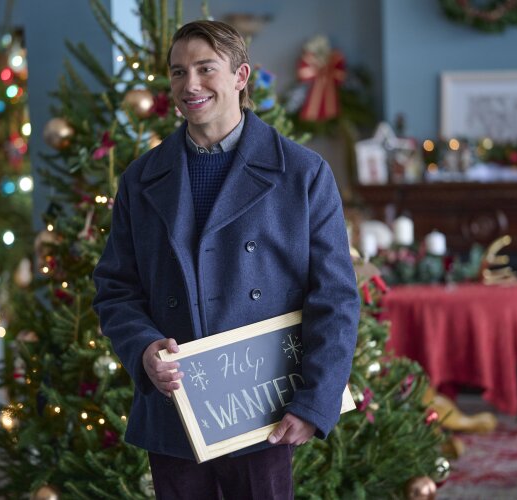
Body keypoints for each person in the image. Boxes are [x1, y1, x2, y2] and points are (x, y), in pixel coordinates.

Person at [93, 20, 358, 499]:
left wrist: (315, 402)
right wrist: (144, 348)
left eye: (205, 68)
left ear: (241, 76)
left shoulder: (303, 173)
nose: (189, 85)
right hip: (175, 411)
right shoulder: (140, 179)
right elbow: (116, 289)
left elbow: (335, 298)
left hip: (265, 412)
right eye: (178, 72)